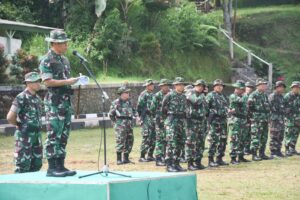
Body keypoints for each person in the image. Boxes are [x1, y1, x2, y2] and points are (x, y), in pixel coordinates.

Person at [39, 29, 78, 177]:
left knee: (63, 135)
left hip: (66, 103)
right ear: (54, 43)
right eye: (63, 43)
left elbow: (64, 81)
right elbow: (48, 82)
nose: (66, 45)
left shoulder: (64, 60)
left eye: (66, 42)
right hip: (54, 103)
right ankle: (52, 168)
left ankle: (60, 165)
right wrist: (67, 81)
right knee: (54, 134)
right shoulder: (47, 60)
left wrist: (74, 81)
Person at [7, 72, 43, 173]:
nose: (38, 83)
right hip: (24, 137)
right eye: (35, 81)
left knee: (37, 164)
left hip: (36, 137)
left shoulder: (37, 98)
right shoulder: (21, 97)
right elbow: (10, 117)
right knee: (22, 165)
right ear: (28, 83)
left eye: (39, 81)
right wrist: (19, 125)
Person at [162, 77, 187, 172]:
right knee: (171, 143)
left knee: (180, 143)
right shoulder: (169, 95)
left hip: (181, 121)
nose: (181, 86)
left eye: (182, 84)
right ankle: (169, 164)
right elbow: (163, 109)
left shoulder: (184, 96)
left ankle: (176, 163)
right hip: (172, 121)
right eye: (179, 84)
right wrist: (168, 120)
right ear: (175, 85)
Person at [185, 79, 208, 170]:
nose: (200, 87)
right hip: (192, 122)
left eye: (202, 86)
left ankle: (198, 162)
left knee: (200, 143)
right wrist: (203, 95)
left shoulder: (202, 95)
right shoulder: (190, 93)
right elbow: (196, 101)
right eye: (198, 86)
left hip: (201, 122)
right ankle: (190, 163)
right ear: (195, 86)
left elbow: (206, 108)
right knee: (190, 143)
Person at [109, 86, 135, 165]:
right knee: (120, 141)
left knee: (130, 140)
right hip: (120, 125)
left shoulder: (129, 102)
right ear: (121, 94)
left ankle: (126, 158)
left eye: (128, 93)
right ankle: (119, 159)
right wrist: (116, 123)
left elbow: (134, 111)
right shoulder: (116, 103)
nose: (128, 94)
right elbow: (111, 114)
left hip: (129, 124)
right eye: (126, 93)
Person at [206, 79, 229, 167]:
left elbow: (226, 107)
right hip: (214, 121)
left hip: (223, 121)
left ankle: (219, 158)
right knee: (213, 141)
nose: (219, 87)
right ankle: (210, 160)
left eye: (221, 86)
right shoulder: (210, 95)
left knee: (223, 140)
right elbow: (206, 108)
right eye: (217, 85)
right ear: (214, 87)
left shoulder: (224, 96)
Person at [247, 78, 270, 161]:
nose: (264, 86)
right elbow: (249, 108)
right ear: (258, 86)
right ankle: (254, 154)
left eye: (265, 85)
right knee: (256, 137)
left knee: (264, 138)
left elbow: (267, 108)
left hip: (265, 120)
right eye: (262, 85)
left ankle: (262, 153)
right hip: (257, 120)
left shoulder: (264, 95)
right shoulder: (253, 95)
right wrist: (252, 118)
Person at [228, 80, 250, 164]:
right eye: (236, 88)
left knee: (242, 139)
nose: (237, 90)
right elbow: (241, 101)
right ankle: (233, 158)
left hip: (243, 119)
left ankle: (241, 156)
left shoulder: (243, 96)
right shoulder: (233, 96)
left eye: (239, 88)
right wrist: (245, 95)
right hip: (235, 120)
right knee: (235, 138)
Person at [150, 79, 171, 166]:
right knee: (160, 139)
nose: (165, 87)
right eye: (163, 86)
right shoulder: (157, 95)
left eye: (166, 85)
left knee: (168, 139)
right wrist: (157, 117)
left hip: (169, 120)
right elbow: (152, 109)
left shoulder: (171, 94)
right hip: (160, 121)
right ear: (161, 87)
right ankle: (158, 158)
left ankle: (165, 157)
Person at [137, 79, 156, 162]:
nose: (152, 86)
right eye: (150, 85)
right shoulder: (143, 94)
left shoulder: (153, 94)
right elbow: (139, 107)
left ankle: (150, 155)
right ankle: (142, 156)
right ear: (147, 86)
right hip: (146, 118)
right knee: (146, 136)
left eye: (152, 84)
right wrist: (140, 117)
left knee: (153, 137)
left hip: (153, 118)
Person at [269, 81, 286, 159]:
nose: (282, 89)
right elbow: (269, 108)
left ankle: (278, 151)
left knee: (280, 135)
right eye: (281, 87)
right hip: (274, 119)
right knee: (274, 136)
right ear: (276, 87)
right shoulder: (272, 96)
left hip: (281, 119)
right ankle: (273, 152)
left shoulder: (281, 96)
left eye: (283, 87)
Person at [284, 81, 300, 156]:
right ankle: (287, 150)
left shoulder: (299, 96)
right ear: (292, 88)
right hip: (289, 119)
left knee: (295, 135)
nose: (296, 89)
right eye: (295, 87)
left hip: (298, 119)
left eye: (298, 87)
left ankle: (292, 149)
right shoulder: (287, 96)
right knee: (288, 134)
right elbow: (283, 107)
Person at [243, 82, 255, 155]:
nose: (249, 89)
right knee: (244, 133)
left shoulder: (252, 96)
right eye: (248, 87)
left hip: (251, 117)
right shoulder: (243, 96)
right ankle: (244, 149)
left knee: (250, 133)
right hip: (244, 118)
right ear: (245, 88)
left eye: (251, 88)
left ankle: (247, 148)